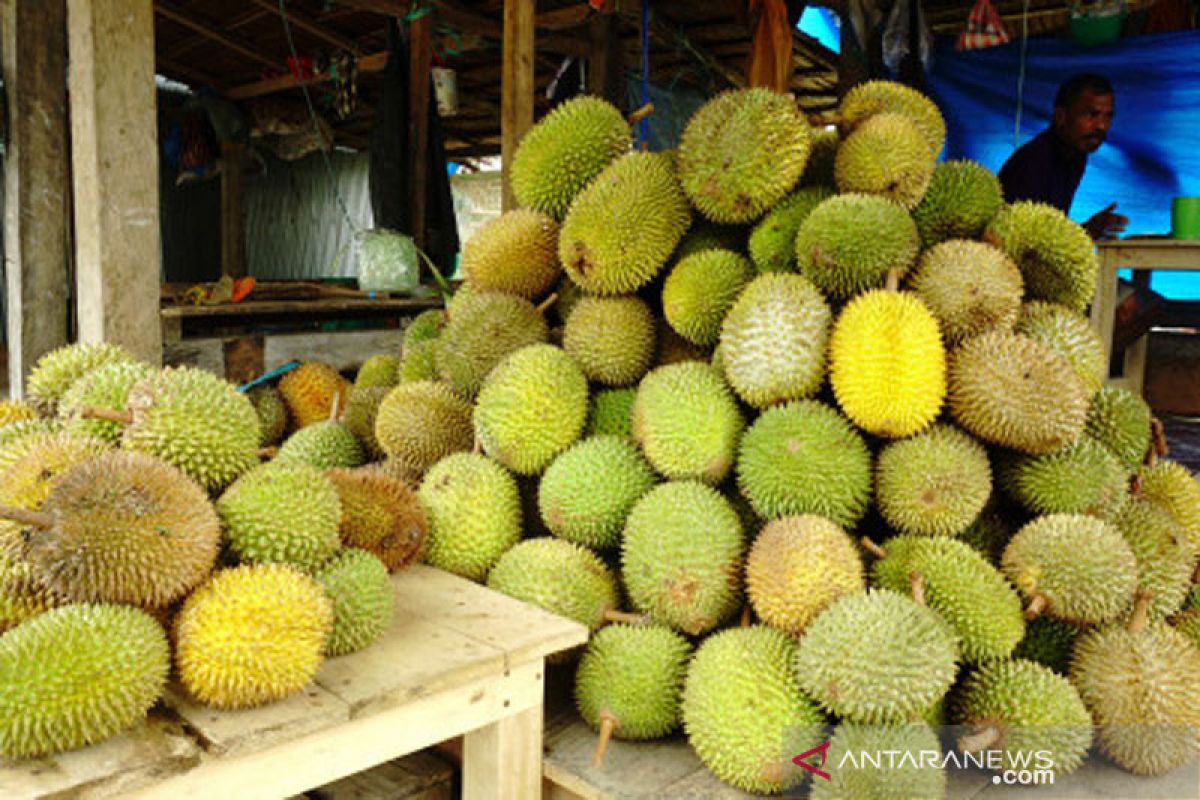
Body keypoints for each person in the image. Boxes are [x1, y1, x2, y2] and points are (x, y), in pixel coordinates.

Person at [998, 74, 1129, 240]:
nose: (1101, 126)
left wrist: (1085, 231)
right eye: (1091, 114)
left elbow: (1052, 236)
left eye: (1108, 116)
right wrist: (1083, 233)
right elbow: (1025, 244)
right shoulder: (1033, 162)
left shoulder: (1077, 155)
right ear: (1060, 116)